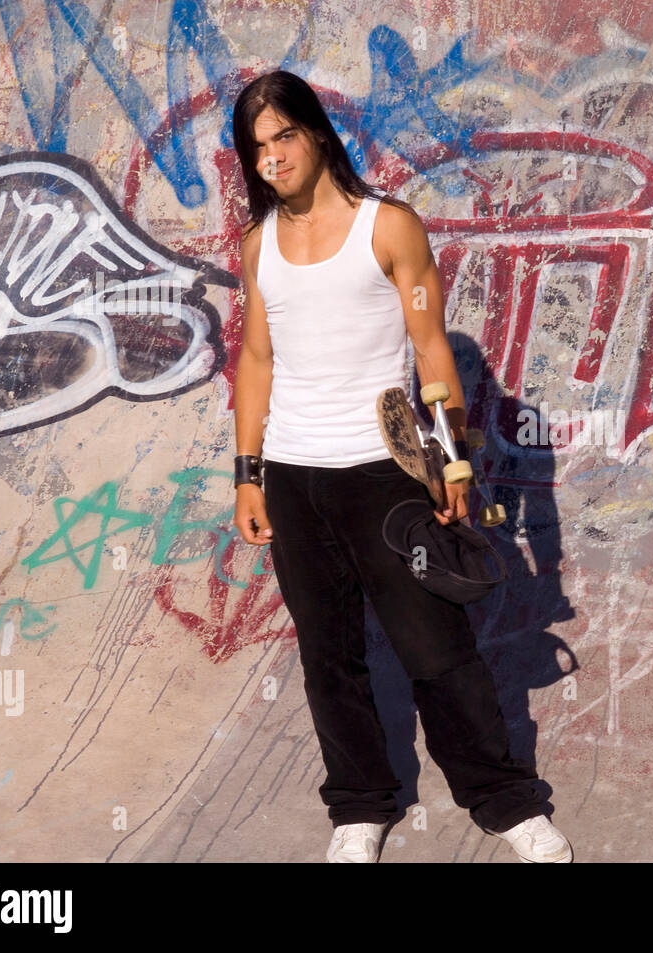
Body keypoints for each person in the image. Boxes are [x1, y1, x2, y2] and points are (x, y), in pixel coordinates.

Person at [228, 69, 571, 863]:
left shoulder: (387, 228)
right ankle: (359, 805)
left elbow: (430, 351)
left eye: (284, 136)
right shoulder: (258, 247)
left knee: (436, 647)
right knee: (328, 654)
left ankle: (506, 801)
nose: (273, 157)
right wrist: (247, 472)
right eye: (257, 148)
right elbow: (254, 360)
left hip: (385, 474)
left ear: (316, 133)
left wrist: (454, 465)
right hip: (293, 474)